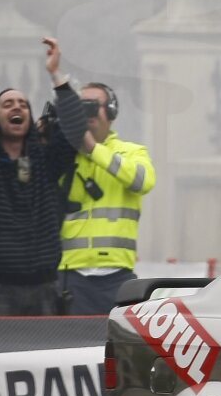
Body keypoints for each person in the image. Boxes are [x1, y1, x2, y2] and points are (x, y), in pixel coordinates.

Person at [0, 38, 88, 316]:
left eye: (23, 104)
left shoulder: (45, 162)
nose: (17, 108)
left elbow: (75, 129)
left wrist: (56, 74)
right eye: (7, 104)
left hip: (44, 288)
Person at [58, 81, 157, 315]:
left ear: (111, 111)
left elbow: (143, 181)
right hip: (70, 276)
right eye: (81, 107)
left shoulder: (131, 151)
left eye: (94, 106)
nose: (88, 112)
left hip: (117, 278)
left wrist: (94, 149)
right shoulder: (62, 155)